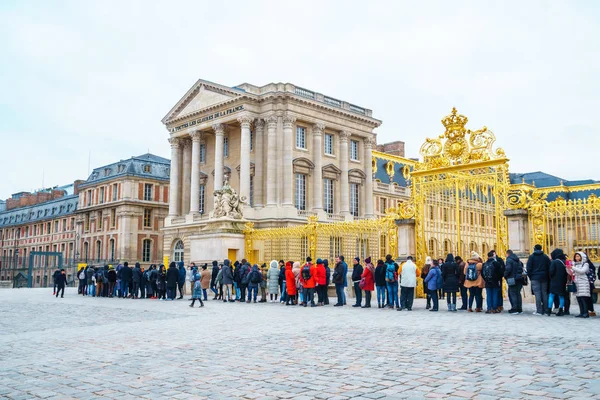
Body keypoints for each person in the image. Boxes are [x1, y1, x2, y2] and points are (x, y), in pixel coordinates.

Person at [526, 244, 551, 316]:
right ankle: (546, 310)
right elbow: (549, 267)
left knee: (537, 294)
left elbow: (529, 268)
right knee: (544, 293)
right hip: (544, 277)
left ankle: (539, 310)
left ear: (534, 249)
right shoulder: (545, 256)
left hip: (535, 277)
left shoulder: (531, 257)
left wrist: (531, 277)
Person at [547, 249, 568, 317]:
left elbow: (551, 272)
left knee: (551, 295)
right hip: (562, 281)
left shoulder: (554, 262)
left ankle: (549, 310)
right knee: (561, 296)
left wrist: (551, 277)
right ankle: (561, 310)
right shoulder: (564, 262)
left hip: (554, 281)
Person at [572, 252, 591, 318]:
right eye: (576, 256)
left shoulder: (585, 264)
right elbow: (571, 273)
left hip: (583, 283)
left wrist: (573, 267)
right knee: (579, 299)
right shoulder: (575, 265)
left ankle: (586, 312)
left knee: (583, 298)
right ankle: (581, 312)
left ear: (581, 257)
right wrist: (568, 268)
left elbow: (582, 271)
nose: (576, 258)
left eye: (578, 256)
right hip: (577, 283)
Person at [505, 250, 524, 314]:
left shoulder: (509, 260)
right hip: (519, 278)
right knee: (518, 293)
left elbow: (508, 269)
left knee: (512, 293)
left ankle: (514, 308)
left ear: (507, 254)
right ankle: (519, 308)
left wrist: (505, 275)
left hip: (512, 278)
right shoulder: (518, 260)